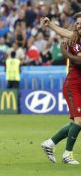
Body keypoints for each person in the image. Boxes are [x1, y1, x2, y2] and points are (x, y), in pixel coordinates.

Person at [40, 14, 81, 164]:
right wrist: (50, 25)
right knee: (79, 120)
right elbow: (78, 60)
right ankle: (67, 155)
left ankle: (50, 143)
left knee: (78, 122)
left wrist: (50, 25)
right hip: (73, 85)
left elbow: (64, 32)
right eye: (77, 23)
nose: (78, 26)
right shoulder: (76, 40)